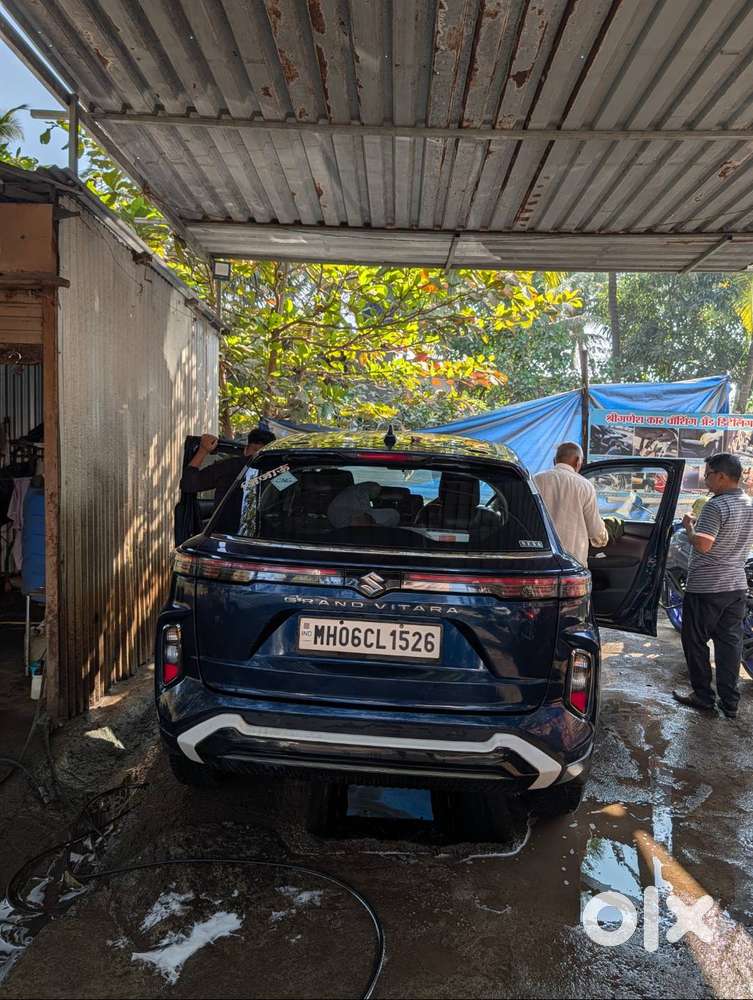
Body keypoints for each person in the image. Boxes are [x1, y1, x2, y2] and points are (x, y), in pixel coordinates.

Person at [673, 452, 753, 720]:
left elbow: (703, 545)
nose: (705, 480)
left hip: (707, 586)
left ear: (721, 475)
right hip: (735, 586)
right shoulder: (749, 504)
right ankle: (730, 702)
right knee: (730, 644)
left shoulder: (715, 506)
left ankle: (703, 696)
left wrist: (689, 528)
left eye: (707, 475)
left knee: (694, 640)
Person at [534, 442, 610, 566]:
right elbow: (595, 530)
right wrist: (604, 537)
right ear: (578, 461)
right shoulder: (585, 486)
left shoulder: (535, 480)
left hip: (540, 560)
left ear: (554, 461)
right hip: (572, 563)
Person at [180, 428, 276, 510]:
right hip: (268, 530)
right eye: (255, 450)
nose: (257, 455)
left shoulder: (231, 466)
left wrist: (203, 451)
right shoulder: (279, 474)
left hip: (225, 530)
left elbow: (189, 483)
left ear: (246, 450)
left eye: (261, 452)